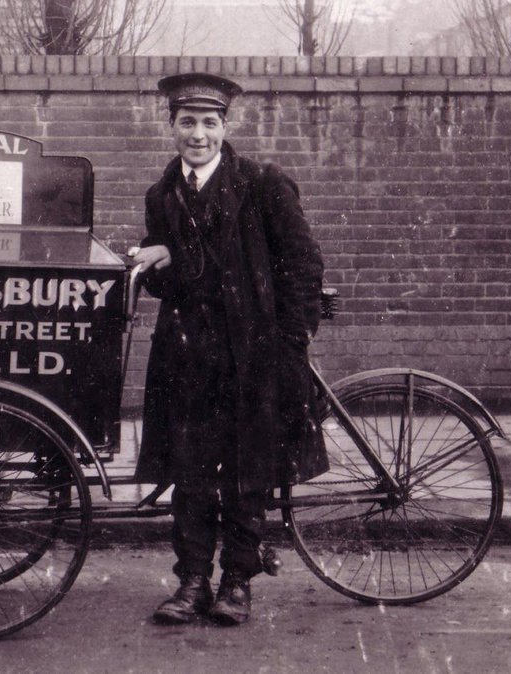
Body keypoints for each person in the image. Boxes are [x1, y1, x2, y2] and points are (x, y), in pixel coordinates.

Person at [130, 73, 328, 627]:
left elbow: (303, 264)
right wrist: (156, 257)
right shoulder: (162, 195)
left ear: (225, 127)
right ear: (171, 127)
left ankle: (237, 582)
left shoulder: (264, 185)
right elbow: (170, 284)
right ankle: (191, 582)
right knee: (189, 470)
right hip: (187, 357)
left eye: (209, 124)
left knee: (248, 470)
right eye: (187, 123)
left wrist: (292, 340)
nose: (198, 135)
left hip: (254, 356)